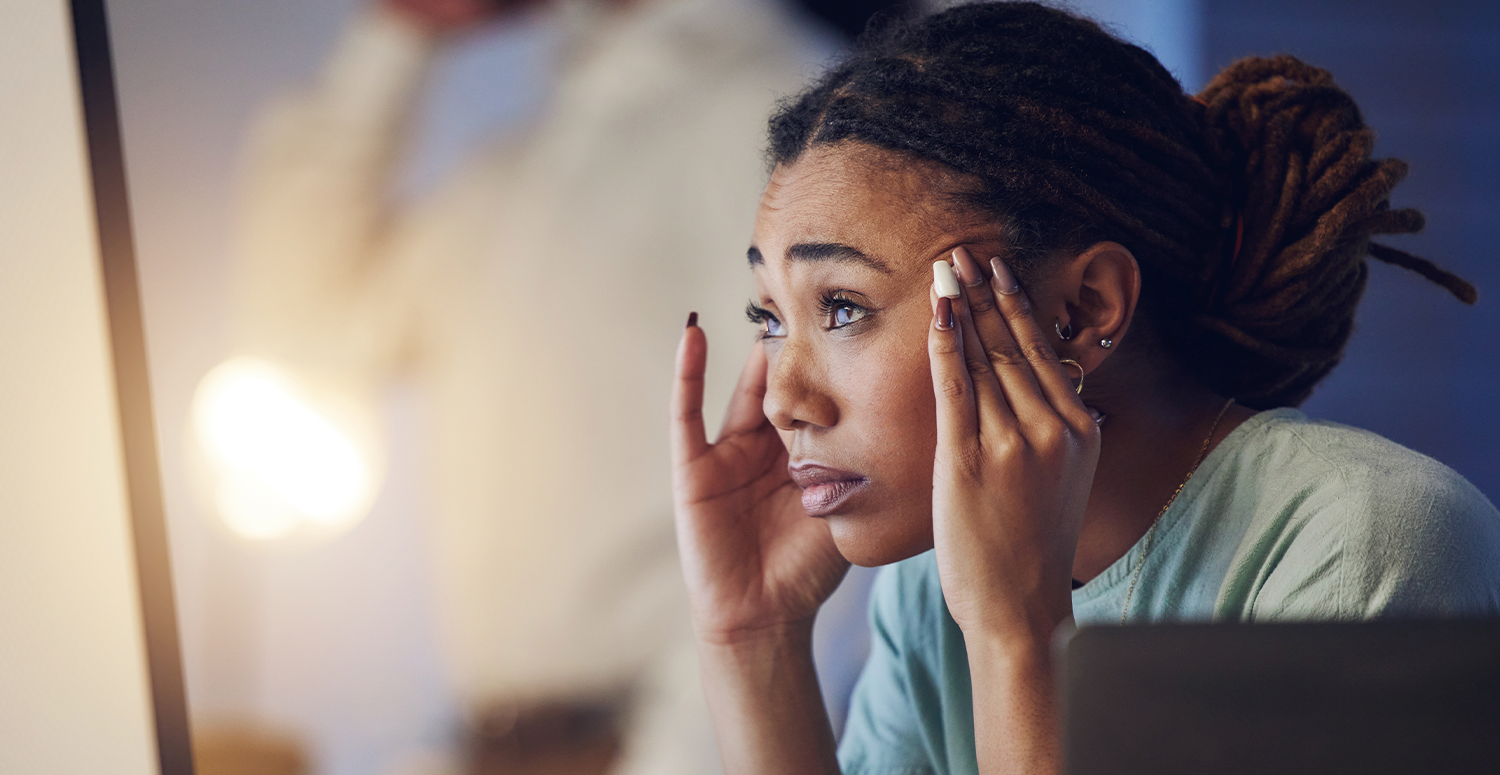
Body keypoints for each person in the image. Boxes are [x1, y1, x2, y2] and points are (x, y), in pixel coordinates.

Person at [668, 2, 1500, 773]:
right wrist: (757, 639)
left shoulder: (1369, 544)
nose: (784, 400)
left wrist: (1015, 636)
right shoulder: (930, 595)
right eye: (771, 318)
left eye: (842, 306)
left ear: (1082, 308)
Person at [232, 0, 834, 771]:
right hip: (491, 741)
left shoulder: (771, 113)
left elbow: (815, 465)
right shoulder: (519, 165)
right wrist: (399, 33)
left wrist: (685, 756)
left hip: (647, 741)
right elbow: (300, 326)